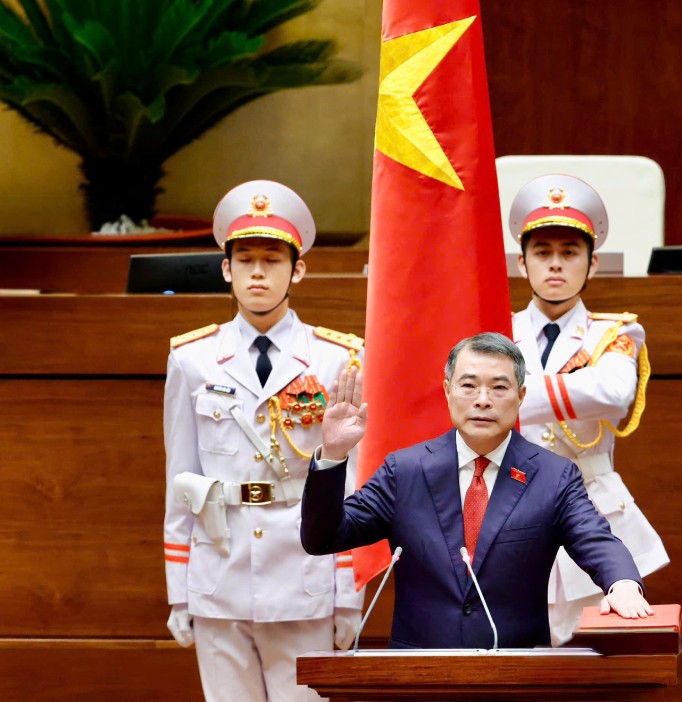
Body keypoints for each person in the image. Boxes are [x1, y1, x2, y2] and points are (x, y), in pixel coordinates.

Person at [300, 332, 653, 649]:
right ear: (447, 391)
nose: (483, 400)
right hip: (418, 676)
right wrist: (333, 454)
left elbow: (595, 539)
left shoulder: (553, 476)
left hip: (516, 675)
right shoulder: (405, 471)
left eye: (499, 388)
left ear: (521, 396)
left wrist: (622, 583)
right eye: (468, 386)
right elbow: (323, 538)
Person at [163, 180, 365, 701]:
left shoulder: (336, 359)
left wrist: (348, 594)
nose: (258, 272)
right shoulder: (192, 359)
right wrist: (179, 590)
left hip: (303, 572)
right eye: (245, 259)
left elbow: (349, 486)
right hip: (219, 571)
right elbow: (180, 482)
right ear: (225, 269)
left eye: (272, 260)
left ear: (298, 270)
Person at [507, 173, 669, 645]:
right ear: (522, 263)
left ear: (592, 263)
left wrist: (506, 392)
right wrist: (574, 386)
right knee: (519, 664)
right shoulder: (494, 332)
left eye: (570, 252)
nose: (556, 264)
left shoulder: (615, 332)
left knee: (594, 666)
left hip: (595, 512)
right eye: (542, 252)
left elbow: (613, 392)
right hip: (512, 510)